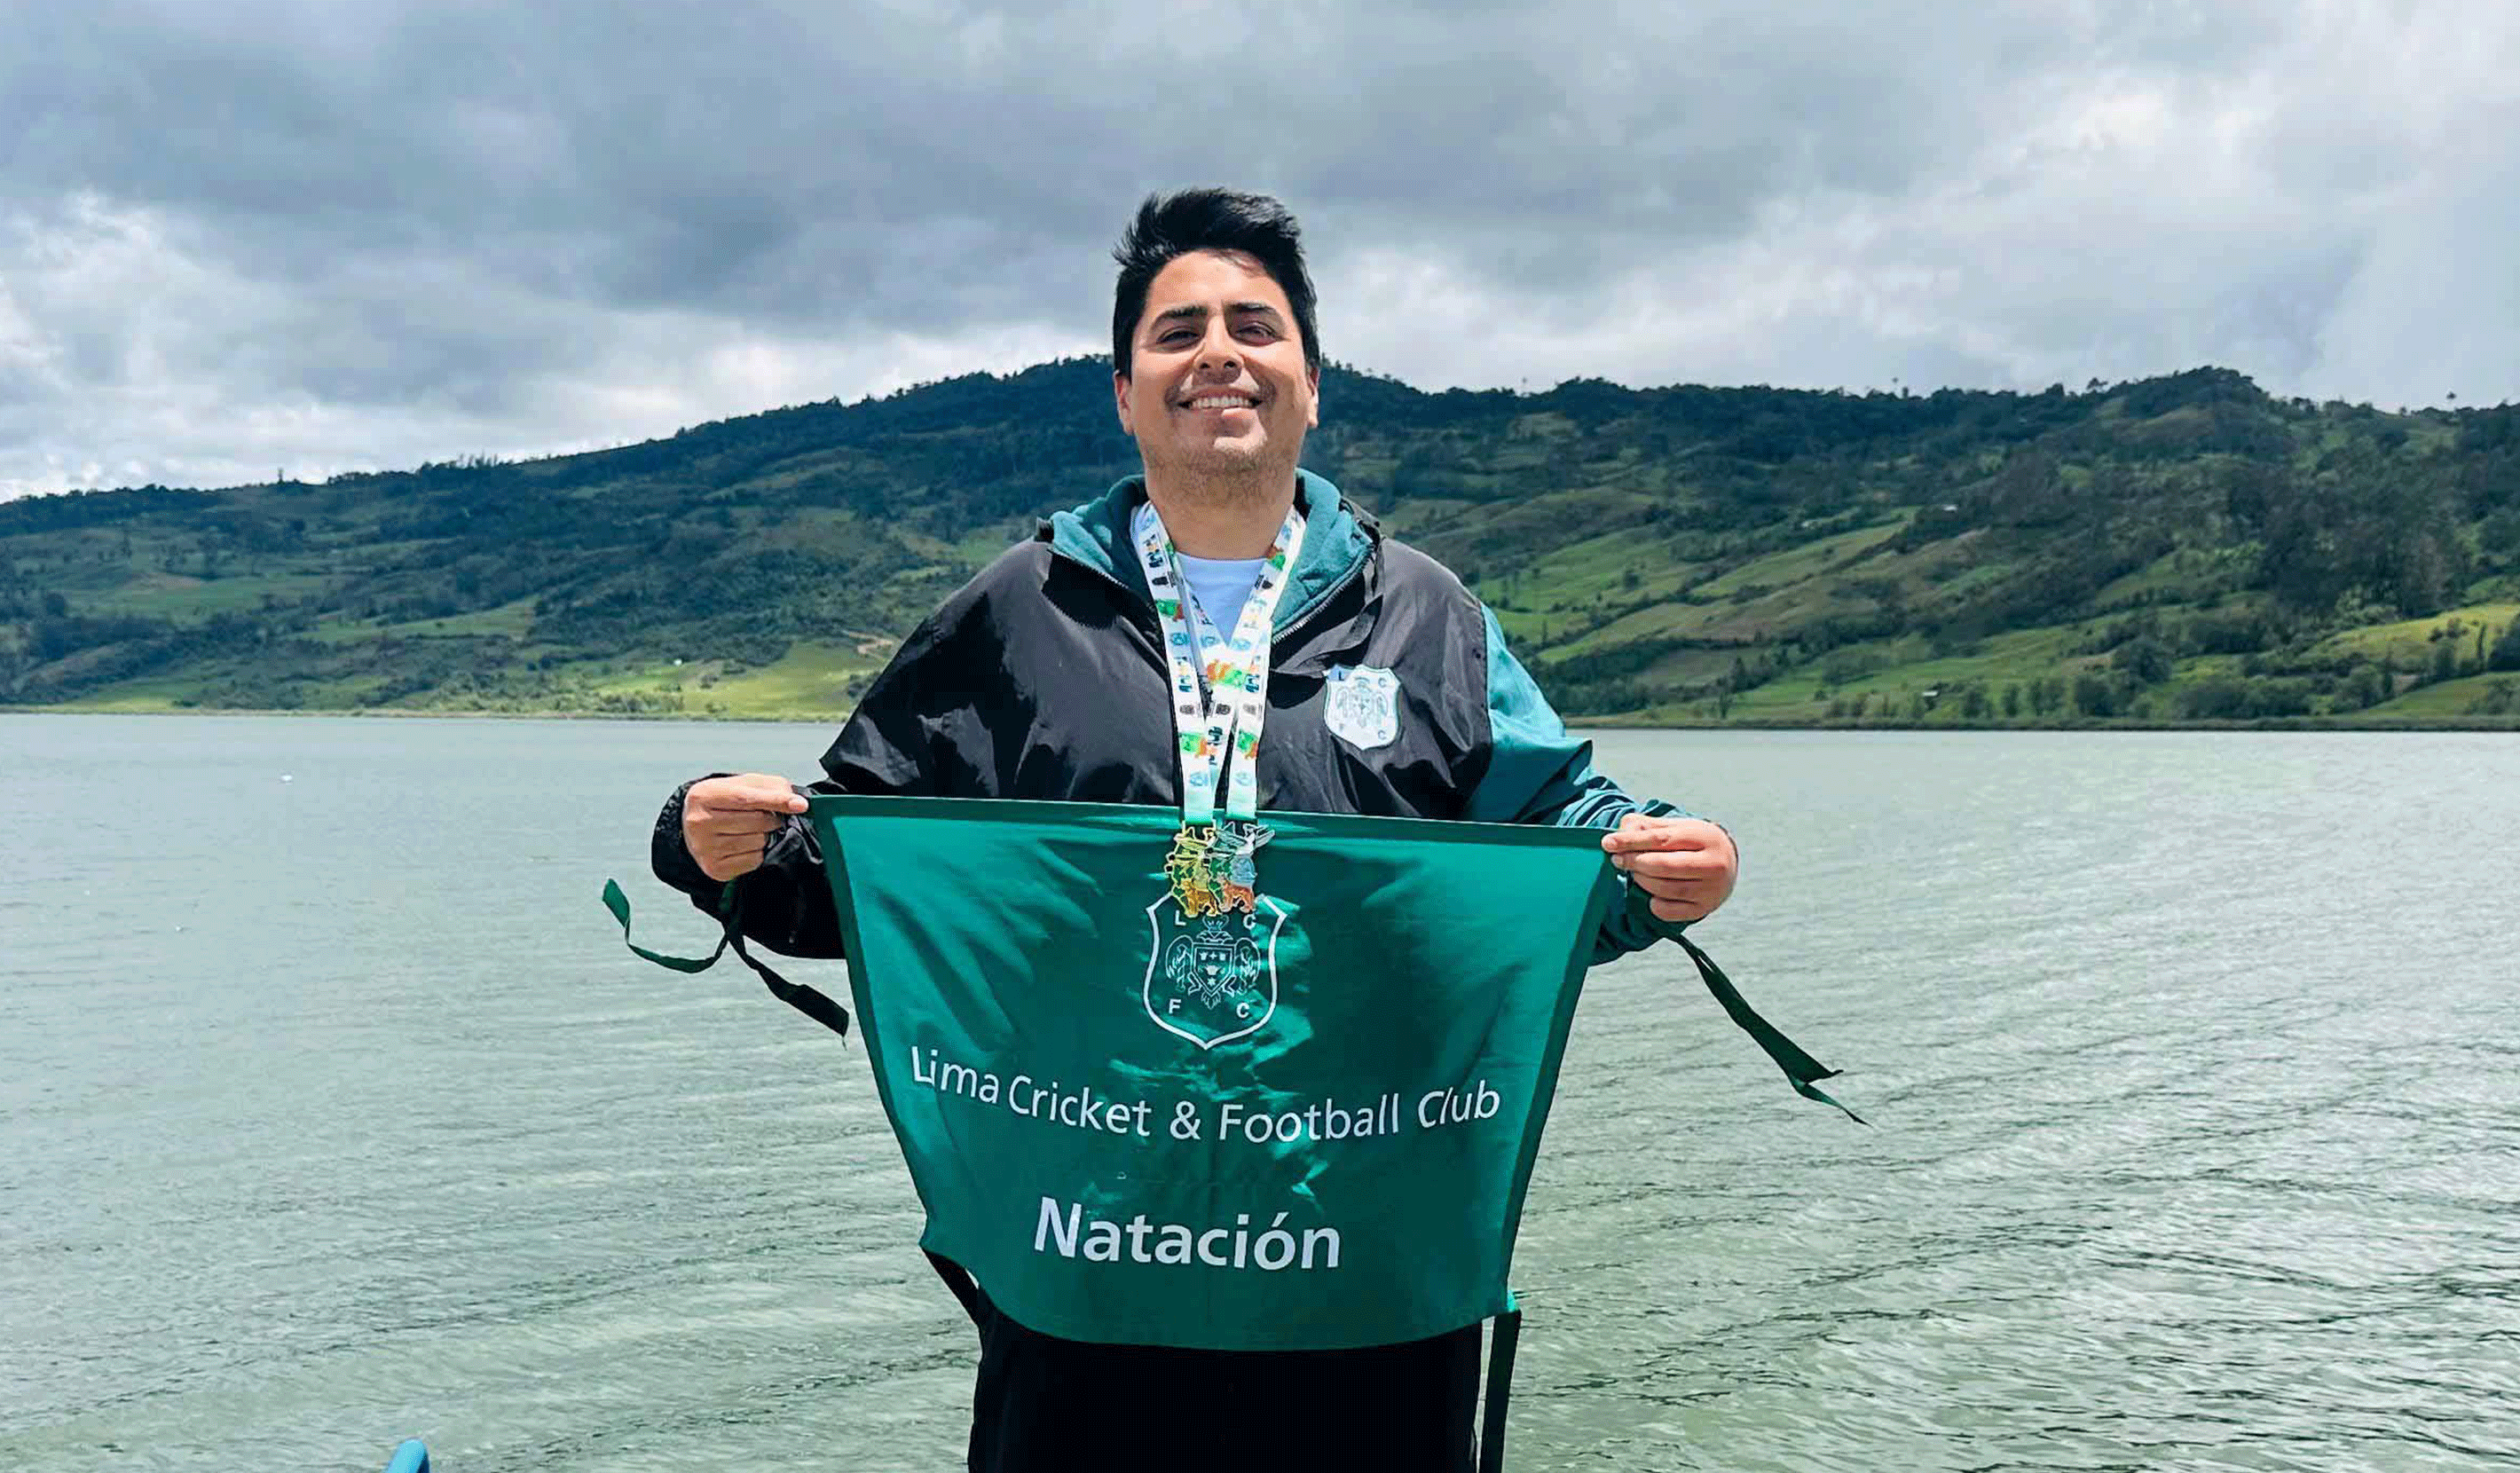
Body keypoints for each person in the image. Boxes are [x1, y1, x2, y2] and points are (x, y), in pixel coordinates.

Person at [649, 187, 1739, 1473]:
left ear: (1312, 384)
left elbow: (1554, 825)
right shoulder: (1019, 612)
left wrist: (1656, 863)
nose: (1219, 352)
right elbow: (869, 861)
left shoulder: (1426, 614)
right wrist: (713, 841)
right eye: (1178, 333)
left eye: (1253, 327)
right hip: (1089, 1246)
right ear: (1125, 393)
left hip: (1364, 1247)